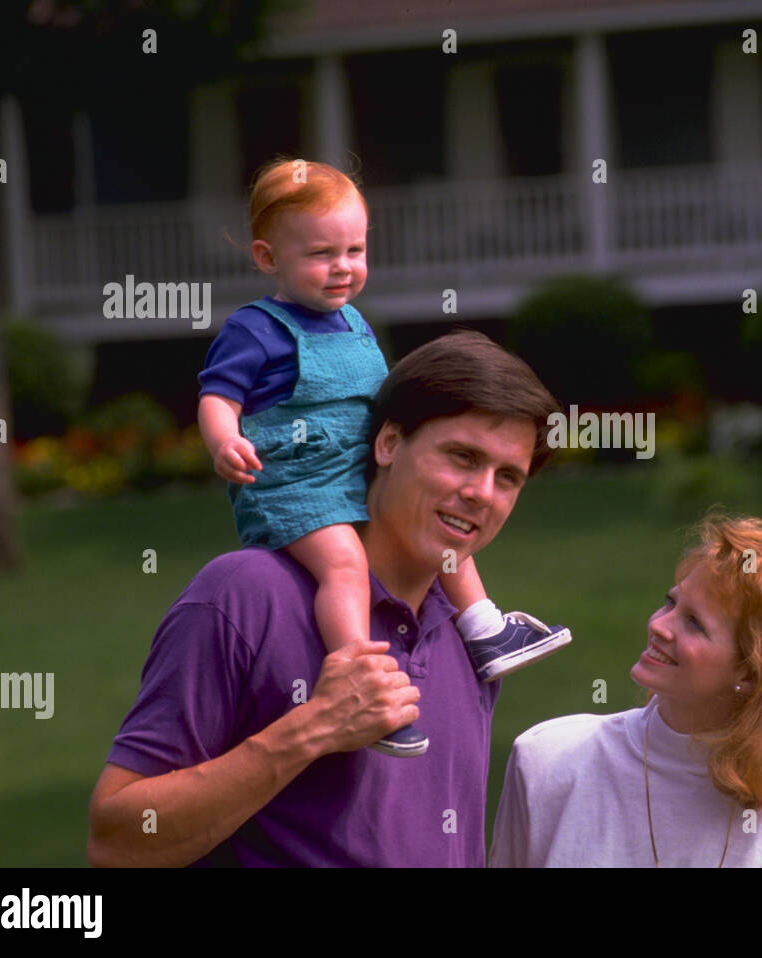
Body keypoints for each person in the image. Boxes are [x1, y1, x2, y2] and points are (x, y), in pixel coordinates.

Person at [87, 330, 560, 866]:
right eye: (462, 456)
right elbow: (117, 842)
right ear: (388, 443)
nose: (481, 493)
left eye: (508, 478)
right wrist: (313, 729)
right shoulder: (246, 596)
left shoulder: (471, 643)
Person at [196, 158, 568, 756]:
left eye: (355, 251)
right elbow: (218, 396)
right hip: (295, 482)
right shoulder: (256, 329)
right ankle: (359, 682)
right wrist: (224, 441)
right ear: (268, 258)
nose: (342, 267)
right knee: (344, 566)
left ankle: (485, 630)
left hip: (352, 467)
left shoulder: (354, 324)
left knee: (447, 532)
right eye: (321, 254)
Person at [490, 514, 762, 867]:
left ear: (750, 672)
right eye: (671, 602)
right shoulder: (547, 760)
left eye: (695, 623)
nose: (660, 626)